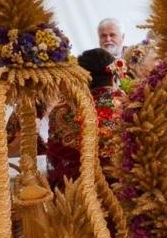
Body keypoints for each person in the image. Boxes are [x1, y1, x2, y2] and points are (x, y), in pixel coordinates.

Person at [46, 48, 125, 187]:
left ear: (80, 77)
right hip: (122, 189)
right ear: (113, 76)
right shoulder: (128, 104)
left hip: (74, 191)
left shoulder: (63, 109)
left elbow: (55, 155)